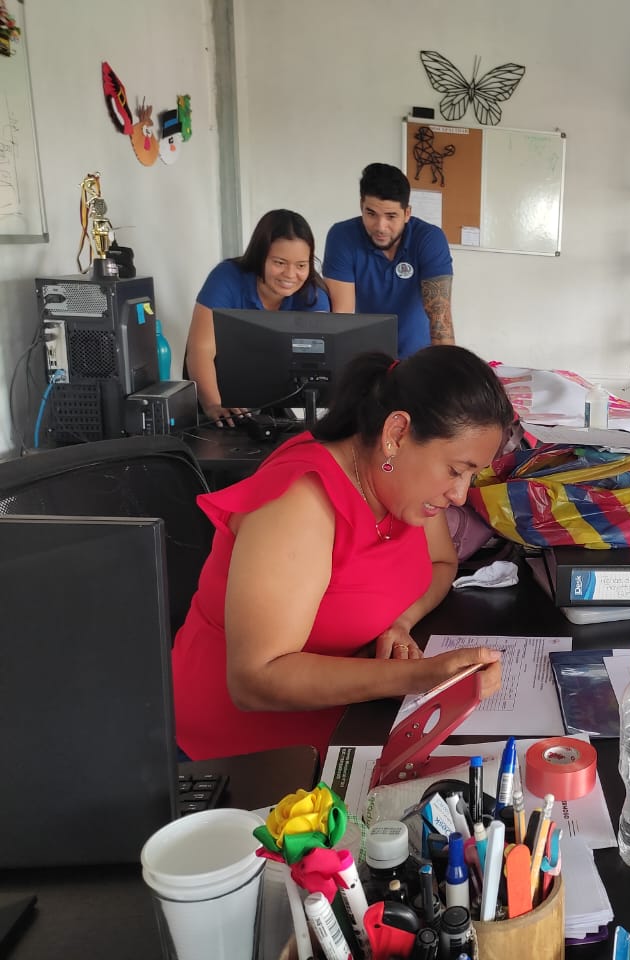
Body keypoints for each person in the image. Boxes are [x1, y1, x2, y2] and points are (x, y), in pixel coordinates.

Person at [172, 345, 513, 760]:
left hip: (351, 717)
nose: (459, 495)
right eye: (456, 471)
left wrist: (399, 623)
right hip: (254, 755)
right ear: (396, 434)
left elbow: (442, 562)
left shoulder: (405, 488)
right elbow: (254, 679)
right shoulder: (301, 502)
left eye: (471, 475)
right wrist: (414, 676)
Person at [186, 209, 331, 426]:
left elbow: (319, 362)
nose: (290, 275)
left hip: (274, 399)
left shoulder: (313, 294)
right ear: (260, 255)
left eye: (301, 265)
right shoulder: (226, 278)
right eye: (280, 263)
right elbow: (201, 350)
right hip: (220, 393)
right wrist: (213, 404)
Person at [324, 162, 454, 356]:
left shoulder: (429, 239)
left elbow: (441, 323)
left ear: (407, 213)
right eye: (371, 214)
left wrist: (447, 368)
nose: (380, 227)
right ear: (361, 206)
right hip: (364, 357)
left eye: (391, 216)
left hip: (419, 358)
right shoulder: (342, 237)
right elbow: (341, 318)